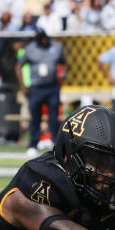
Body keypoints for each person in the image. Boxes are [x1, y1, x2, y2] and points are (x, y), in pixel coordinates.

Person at [17, 29, 67, 157]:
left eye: (45, 37)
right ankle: (33, 144)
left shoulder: (56, 47)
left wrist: (62, 76)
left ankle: (56, 144)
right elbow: (18, 66)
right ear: (37, 39)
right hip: (36, 88)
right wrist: (23, 85)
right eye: (41, 38)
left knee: (54, 117)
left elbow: (64, 63)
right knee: (35, 117)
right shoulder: (30, 49)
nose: (44, 40)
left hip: (52, 87)